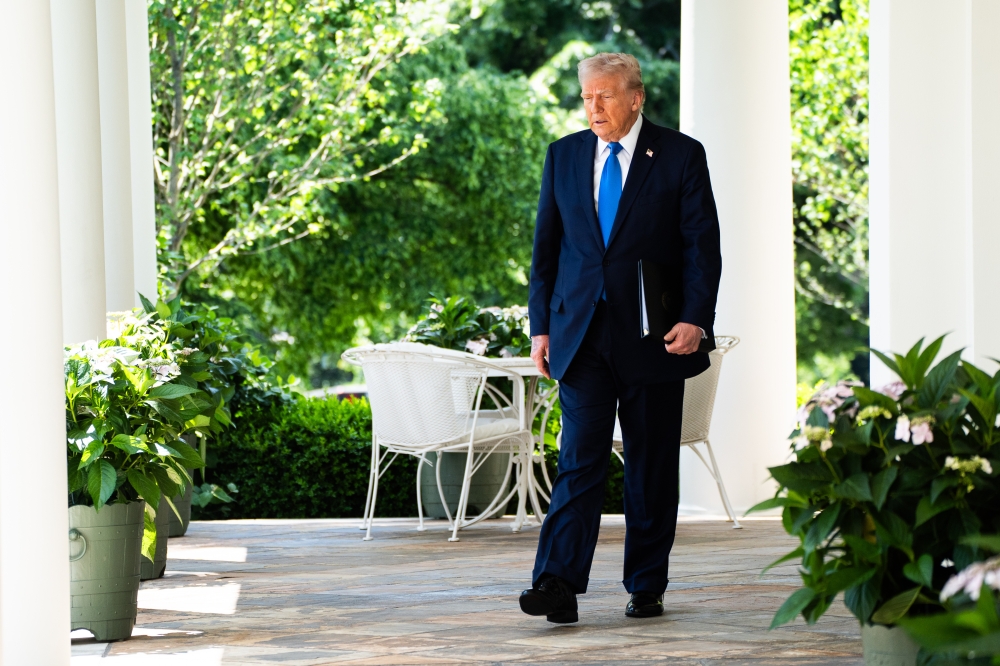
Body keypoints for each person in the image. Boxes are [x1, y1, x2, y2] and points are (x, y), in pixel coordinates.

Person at [519, 52, 722, 623]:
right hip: (580, 334)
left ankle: (646, 583)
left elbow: (700, 248)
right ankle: (556, 583)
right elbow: (546, 252)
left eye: (605, 96)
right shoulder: (563, 156)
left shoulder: (681, 155)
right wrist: (541, 326)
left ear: (636, 97)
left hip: (653, 336)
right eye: (587, 97)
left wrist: (694, 318)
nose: (594, 107)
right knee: (579, 459)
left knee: (650, 463)